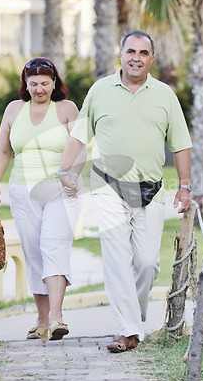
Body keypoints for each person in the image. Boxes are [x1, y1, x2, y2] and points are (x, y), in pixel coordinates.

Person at [59, 30, 192, 352]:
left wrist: (185, 186)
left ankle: (133, 318)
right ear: (120, 55)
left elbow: (181, 144)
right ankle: (129, 330)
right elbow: (79, 136)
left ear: (151, 59)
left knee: (147, 263)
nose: (136, 57)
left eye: (143, 53)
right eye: (130, 51)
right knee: (117, 260)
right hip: (108, 186)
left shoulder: (164, 95)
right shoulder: (100, 90)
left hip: (150, 189)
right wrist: (66, 171)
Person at [0, 57, 85, 341]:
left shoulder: (66, 109)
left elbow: (80, 148)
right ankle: (41, 320)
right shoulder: (13, 109)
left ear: (55, 82)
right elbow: (3, 151)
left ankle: (57, 318)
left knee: (52, 247)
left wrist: (72, 174)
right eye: (33, 84)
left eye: (45, 83)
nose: (39, 89)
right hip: (22, 191)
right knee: (33, 254)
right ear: (25, 84)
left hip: (60, 190)